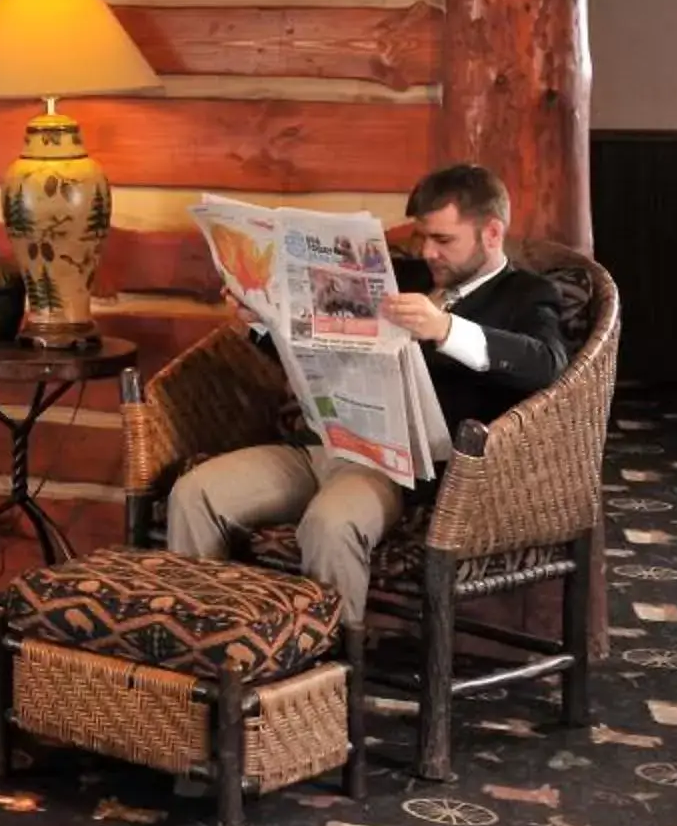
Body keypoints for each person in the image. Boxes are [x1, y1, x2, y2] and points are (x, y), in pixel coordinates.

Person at [165, 164, 570, 622]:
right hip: (323, 443)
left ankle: (326, 679)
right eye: (423, 237)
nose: (428, 252)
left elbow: (548, 365)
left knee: (331, 523)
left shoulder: (526, 294)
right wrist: (261, 320)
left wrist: (445, 329)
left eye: (443, 240)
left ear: (492, 233)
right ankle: (206, 645)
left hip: (396, 468)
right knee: (194, 495)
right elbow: (314, 352)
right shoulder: (398, 275)